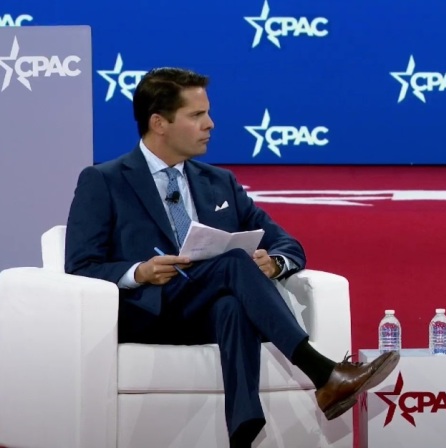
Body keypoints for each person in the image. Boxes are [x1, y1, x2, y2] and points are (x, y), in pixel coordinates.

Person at [64, 67, 400, 448]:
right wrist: (138, 272)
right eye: (196, 115)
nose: (210, 124)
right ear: (159, 122)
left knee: (230, 305)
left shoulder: (219, 182)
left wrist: (275, 263)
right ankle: (323, 373)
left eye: (207, 113)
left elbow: (288, 244)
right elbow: (80, 265)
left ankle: (243, 433)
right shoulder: (104, 180)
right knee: (234, 263)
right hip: (148, 312)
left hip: (204, 310)